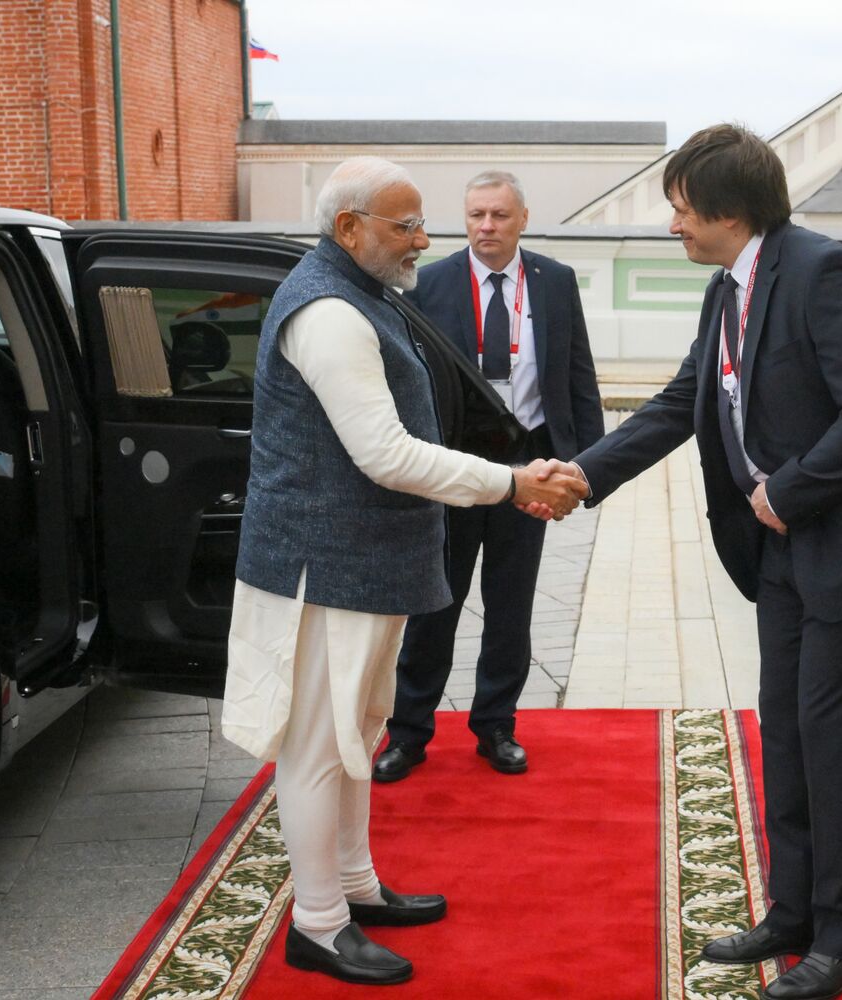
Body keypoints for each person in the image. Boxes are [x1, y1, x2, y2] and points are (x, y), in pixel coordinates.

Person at [536, 124, 842, 1000]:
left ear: (729, 211)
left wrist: (787, 491)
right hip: (781, 558)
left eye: (681, 209)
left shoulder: (819, 271)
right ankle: (791, 914)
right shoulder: (727, 286)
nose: (673, 226)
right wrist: (585, 473)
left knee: (836, 747)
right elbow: (688, 396)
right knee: (789, 735)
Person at [220, 156, 584, 987]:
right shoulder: (328, 312)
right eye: (405, 225)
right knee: (318, 745)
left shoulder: (364, 294)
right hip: (326, 566)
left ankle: (353, 887)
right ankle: (317, 923)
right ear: (348, 229)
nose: (424, 239)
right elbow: (383, 454)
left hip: (365, 564)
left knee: (358, 736)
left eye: (422, 223)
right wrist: (511, 481)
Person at [373, 171, 605, 782]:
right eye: (476, 215)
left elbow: (577, 372)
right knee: (434, 606)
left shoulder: (553, 282)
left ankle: (496, 726)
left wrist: (589, 466)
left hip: (529, 466)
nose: (486, 227)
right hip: (452, 469)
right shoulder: (432, 282)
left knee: (511, 608)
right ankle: (409, 733)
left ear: (522, 218)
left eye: (499, 216)